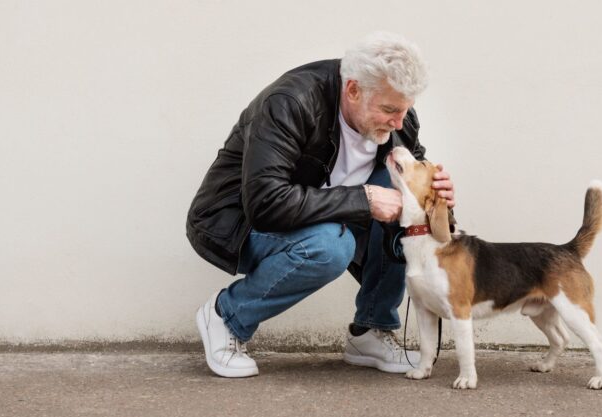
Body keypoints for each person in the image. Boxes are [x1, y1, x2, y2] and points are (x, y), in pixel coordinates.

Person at [187, 31, 455, 378]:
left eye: (405, 110)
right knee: (331, 246)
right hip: (241, 223)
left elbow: (420, 206)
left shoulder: (399, 122)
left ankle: (370, 331)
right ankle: (227, 316)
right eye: (389, 110)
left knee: (401, 193)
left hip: (324, 217)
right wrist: (364, 198)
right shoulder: (291, 102)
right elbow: (266, 203)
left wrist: (440, 202)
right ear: (353, 89)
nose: (399, 122)